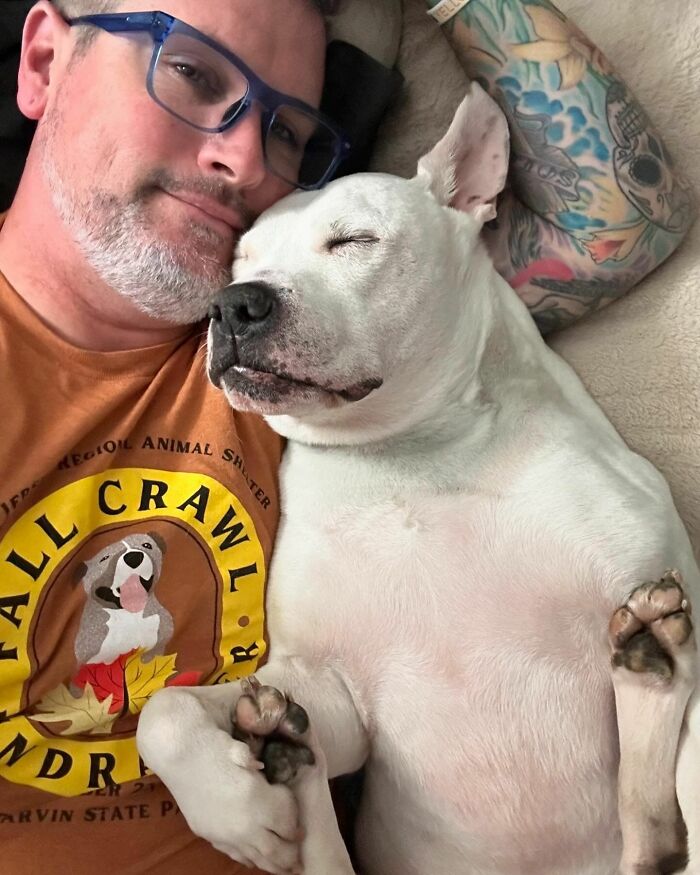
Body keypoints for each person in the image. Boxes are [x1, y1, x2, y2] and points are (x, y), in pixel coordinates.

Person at [0, 0, 693, 873]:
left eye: (287, 133)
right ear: (41, 61)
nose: (245, 159)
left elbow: (621, 214)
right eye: (191, 74)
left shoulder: (311, 354)